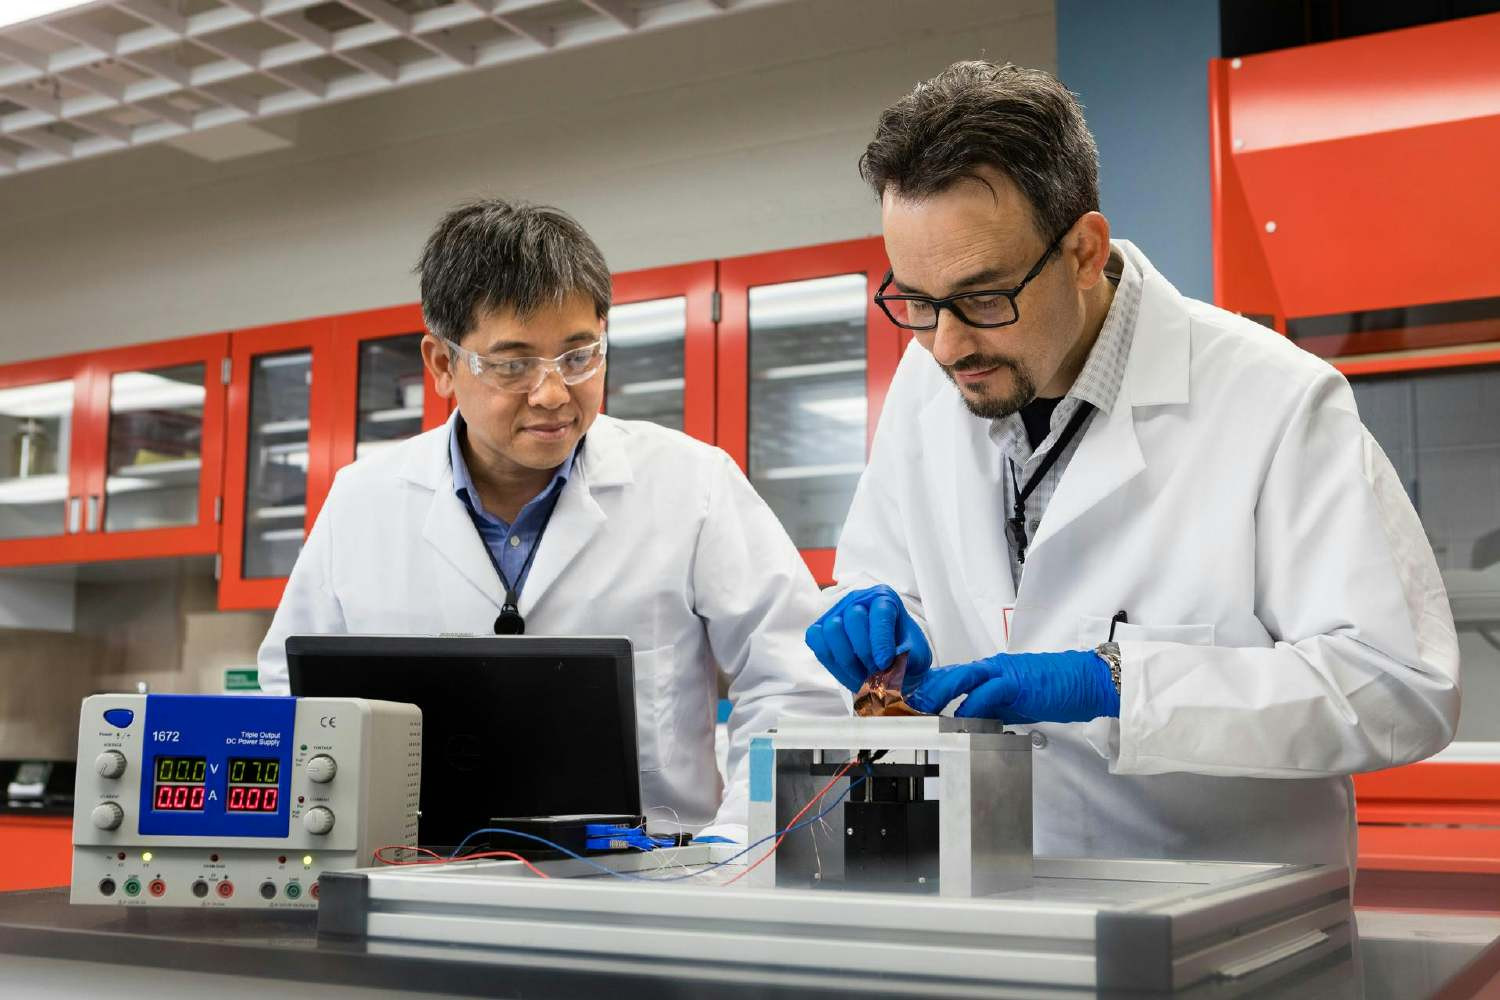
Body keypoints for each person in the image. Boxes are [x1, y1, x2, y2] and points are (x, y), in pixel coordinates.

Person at [806, 61, 1460, 869]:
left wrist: (1120, 683)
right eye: (916, 302)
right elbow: (891, 576)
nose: (945, 344)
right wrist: (871, 613)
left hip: (1221, 921)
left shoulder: (1274, 400)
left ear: (1084, 252)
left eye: (982, 298)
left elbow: (1398, 687)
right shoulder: (928, 381)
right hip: (997, 889)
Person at [258, 198, 847, 843]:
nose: (551, 393)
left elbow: (797, 680)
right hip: (414, 886)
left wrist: (738, 841)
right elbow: (288, 695)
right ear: (442, 365)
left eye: (578, 356)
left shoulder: (691, 484)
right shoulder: (363, 501)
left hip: (651, 889)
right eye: (513, 364)